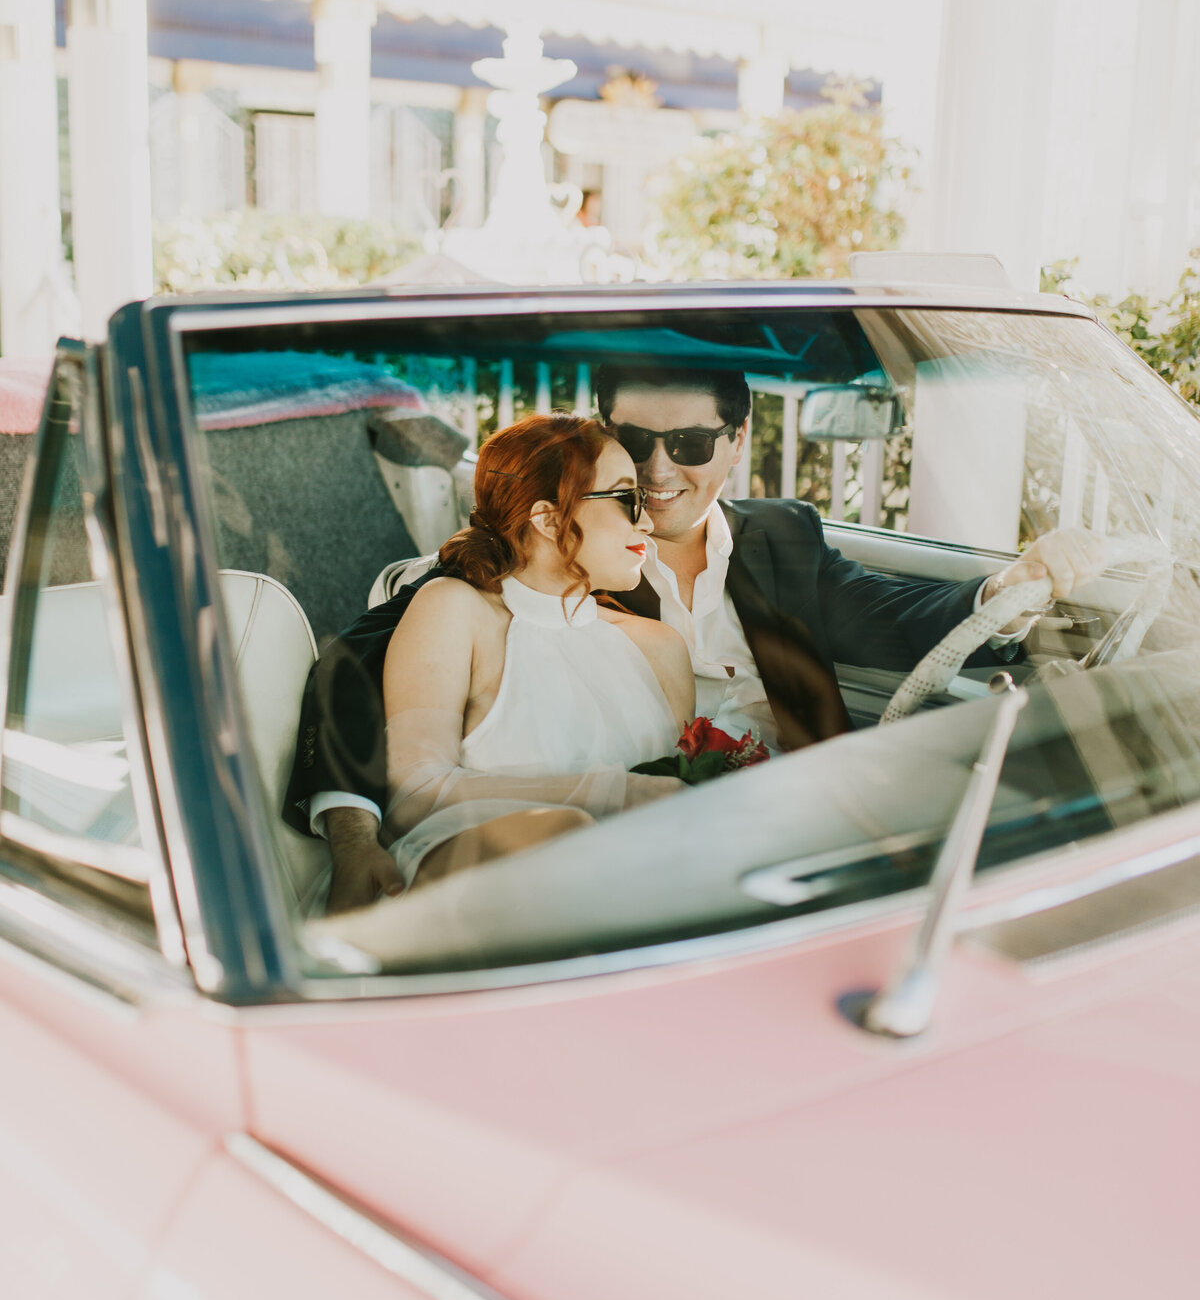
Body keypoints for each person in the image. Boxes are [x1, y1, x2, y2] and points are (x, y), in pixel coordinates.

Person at [285, 364, 1104, 910]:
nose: (656, 471)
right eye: (634, 443)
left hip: (794, 817)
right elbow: (352, 665)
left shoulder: (783, 540)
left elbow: (898, 618)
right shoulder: (547, 562)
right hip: (612, 832)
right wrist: (352, 831)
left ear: (738, 443)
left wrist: (1011, 588)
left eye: (689, 444)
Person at [358, 412, 691, 894]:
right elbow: (413, 796)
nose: (645, 518)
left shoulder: (661, 649)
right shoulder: (455, 609)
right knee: (565, 838)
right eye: (625, 497)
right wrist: (613, 793)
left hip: (645, 890)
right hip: (465, 887)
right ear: (548, 518)